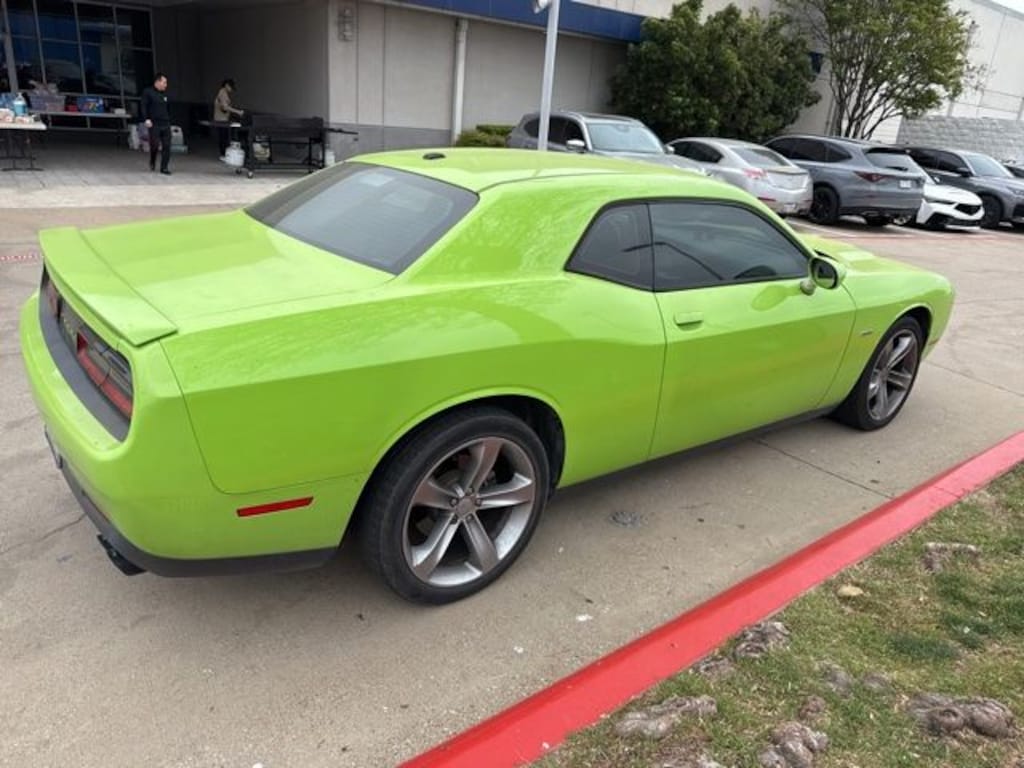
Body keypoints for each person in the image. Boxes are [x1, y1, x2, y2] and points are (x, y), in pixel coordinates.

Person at [141, 73, 172, 175]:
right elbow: (144, 106)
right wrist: (146, 119)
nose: (166, 85)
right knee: (154, 145)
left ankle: (164, 167)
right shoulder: (148, 92)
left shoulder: (165, 95)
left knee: (167, 146)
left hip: (165, 123)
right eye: (164, 82)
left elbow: (168, 109)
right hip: (154, 123)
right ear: (157, 82)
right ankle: (152, 160)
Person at [213, 78, 244, 157]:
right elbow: (225, 107)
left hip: (223, 118)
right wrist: (238, 112)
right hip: (221, 119)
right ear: (226, 85)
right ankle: (223, 154)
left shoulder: (224, 93)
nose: (231, 90)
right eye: (231, 88)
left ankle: (224, 154)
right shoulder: (222, 93)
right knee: (223, 137)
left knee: (224, 136)